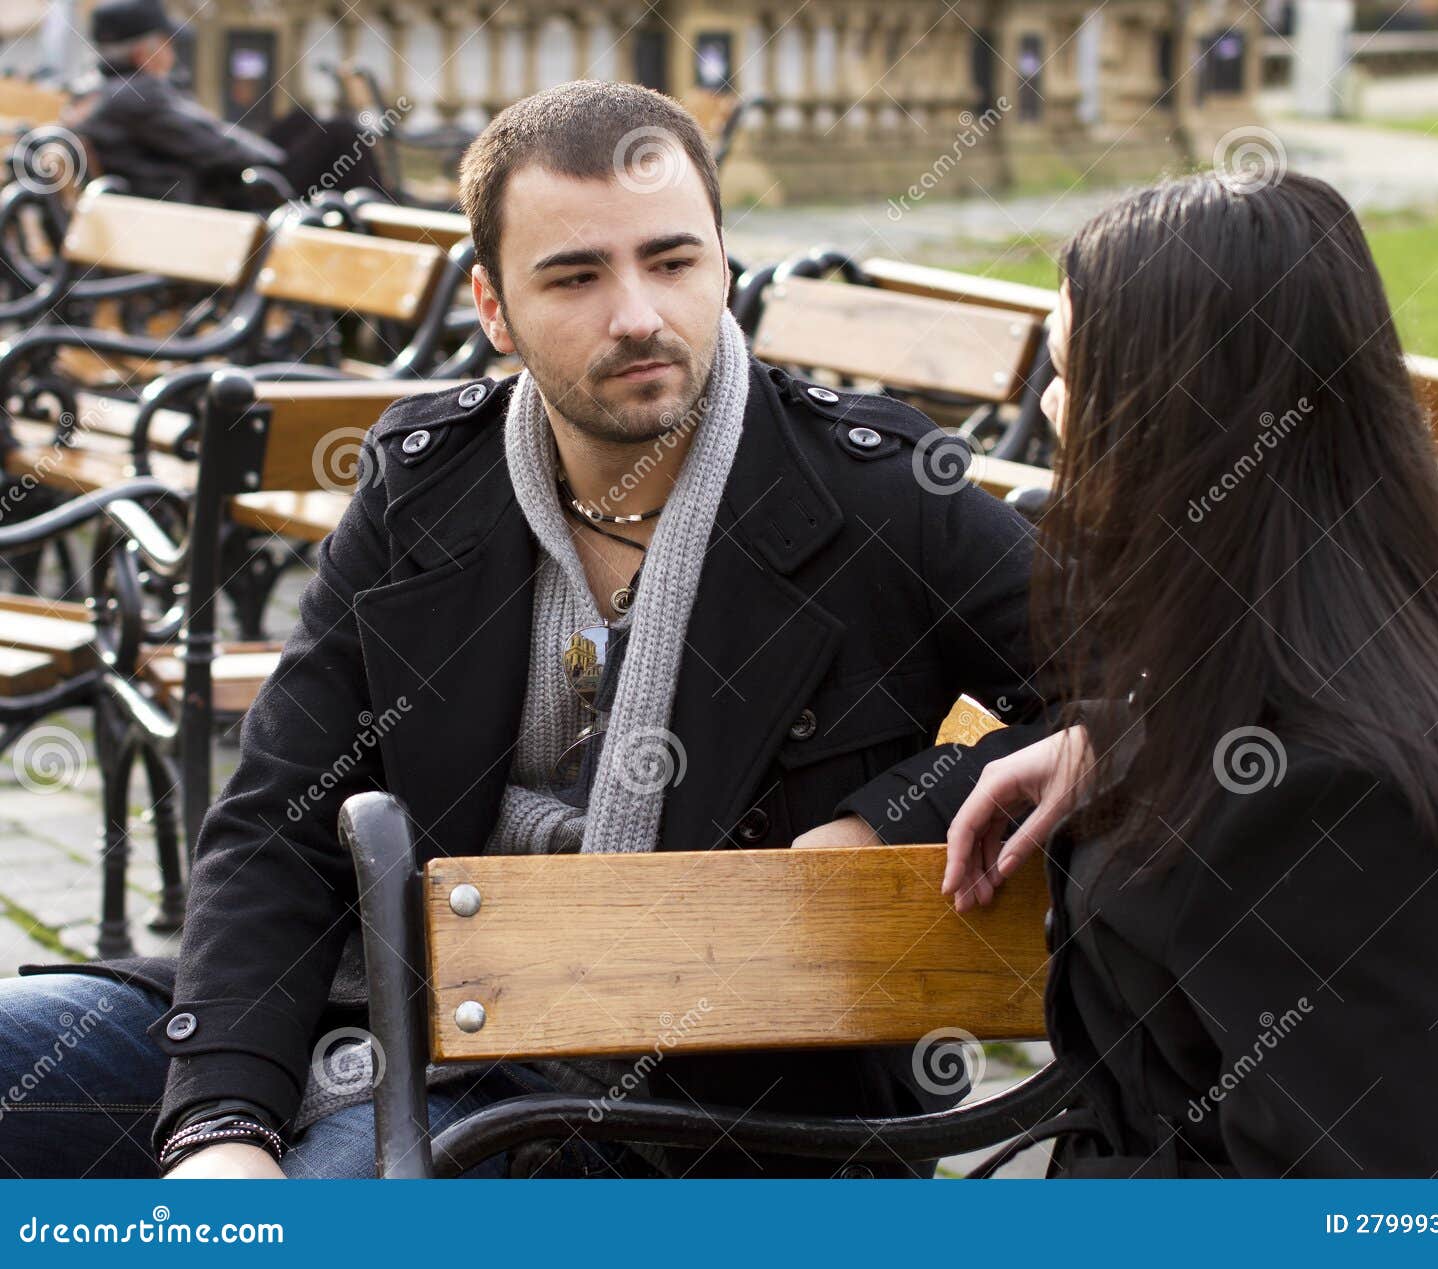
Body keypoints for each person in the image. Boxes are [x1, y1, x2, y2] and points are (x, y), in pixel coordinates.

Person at [0, 80, 1055, 1178]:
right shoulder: (425, 491)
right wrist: (221, 1123)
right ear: (493, 309)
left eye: (673, 261)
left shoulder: (871, 495)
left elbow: (1135, 690)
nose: (639, 313)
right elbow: (278, 817)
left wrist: (885, 820)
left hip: (673, 1096)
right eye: (576, 275)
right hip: (373, 998)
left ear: (724, 268)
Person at [941, 170, 1438, 1178]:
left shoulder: (1334, 802)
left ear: (1178, 423)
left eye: (1068, 372)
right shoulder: (1294, 679)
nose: (1049, 411)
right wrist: (1125, 743)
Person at [71, 0, 287, 205]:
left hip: (146, 214)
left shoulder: (93, 92)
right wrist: (277, 160)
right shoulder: (140, 95)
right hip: (178, 220)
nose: (172, 54)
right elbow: (218, 148)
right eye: (168, 45)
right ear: (143, 53)